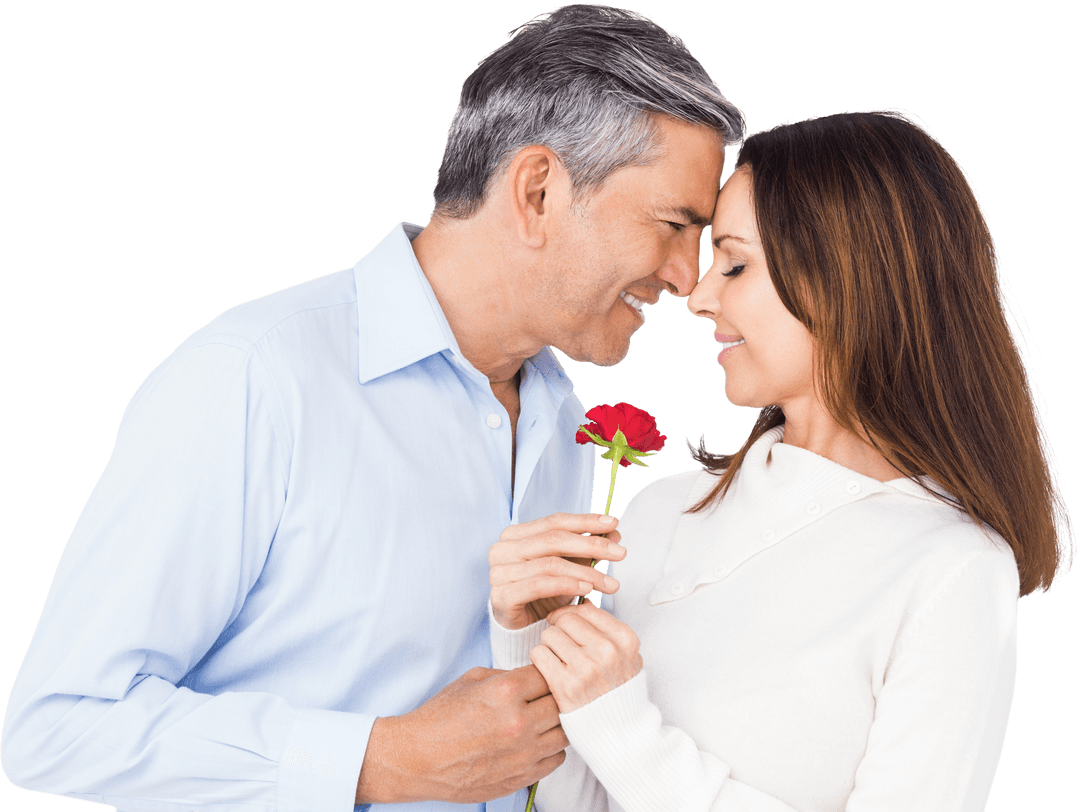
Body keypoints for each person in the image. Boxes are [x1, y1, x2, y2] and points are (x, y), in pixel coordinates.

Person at [0, 6, 744, 812]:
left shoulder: (569, 432)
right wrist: (379, 760)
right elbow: (61, 727)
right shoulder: (256, 378)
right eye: (674, 225)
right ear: (538, 190)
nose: (685, 277)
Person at [488, 109, 1075, 811]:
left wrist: (625, 726)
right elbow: (580, 803)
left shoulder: (951, 568)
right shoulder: (662, 511)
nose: (700, 297)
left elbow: (628, 750)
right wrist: (527, 637)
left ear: (846, 279)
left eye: (735, 264)